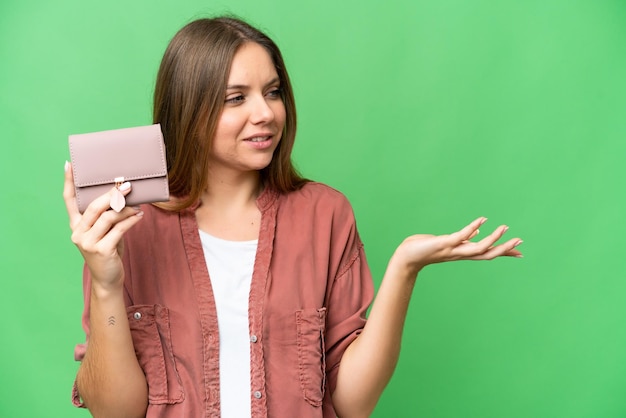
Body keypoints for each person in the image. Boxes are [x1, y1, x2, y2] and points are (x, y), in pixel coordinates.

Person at [63, 16, 522, 418]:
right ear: (187, 110)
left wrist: (404, 267)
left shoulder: (325, 215)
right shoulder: (128, 229)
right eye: (235, 98)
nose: (266, 113)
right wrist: (105, 282)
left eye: (273, 92)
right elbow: (113, 412)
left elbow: (353, 403)